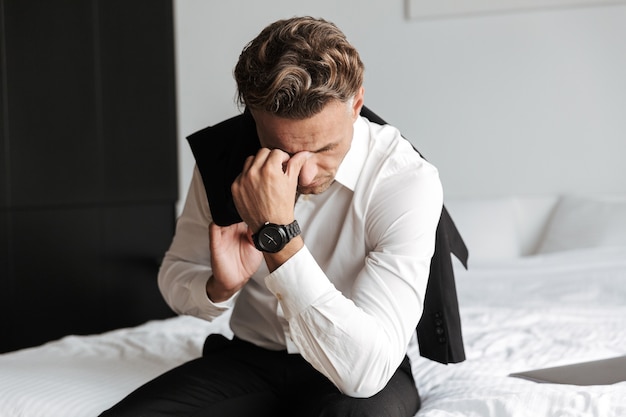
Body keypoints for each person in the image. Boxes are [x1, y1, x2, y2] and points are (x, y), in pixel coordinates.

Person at [101, 16, 444, 417]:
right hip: (251, 360)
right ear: (254, 117)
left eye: (325, 149)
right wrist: (219, 286)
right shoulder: (226, 157)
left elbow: (363, 374)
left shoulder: (403, 180)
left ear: (356, 105)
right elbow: (175, 274)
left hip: (359, 364)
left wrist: (277, 237)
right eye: (284, 149)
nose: (308, 173)